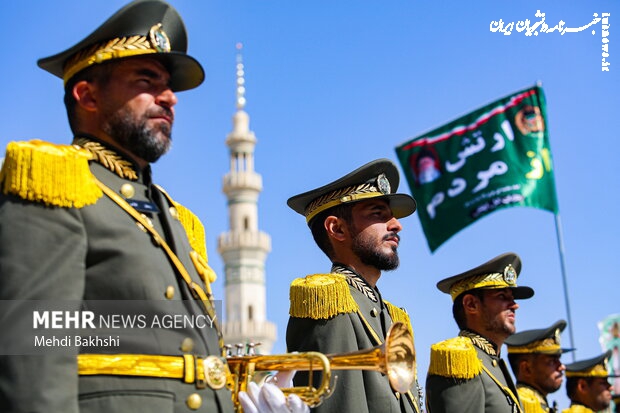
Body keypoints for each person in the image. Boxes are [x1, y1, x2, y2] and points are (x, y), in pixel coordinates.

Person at [0, 1, 307, 412]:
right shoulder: (58, 184)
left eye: (170, 86)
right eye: (147, 80)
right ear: (87, 95)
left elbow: (192, 369)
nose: (169, 98)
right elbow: (36, 361)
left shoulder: (176, 220)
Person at [285, 158, 422, 413]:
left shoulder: (393, 315)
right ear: (336, 228)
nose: (396, 225)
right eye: (377, 213)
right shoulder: (328, 300)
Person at [425, 252, 535, 413]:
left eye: (512, 298)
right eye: (502, 296)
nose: (514, 305)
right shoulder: (459, 360)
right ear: (471, 305)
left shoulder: (493, 363)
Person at [505, 320, 574, 413]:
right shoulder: (523, 403)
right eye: (552, 361)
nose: (562, 367)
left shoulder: (538, 404)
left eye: (558, 360)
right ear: (526, 369)